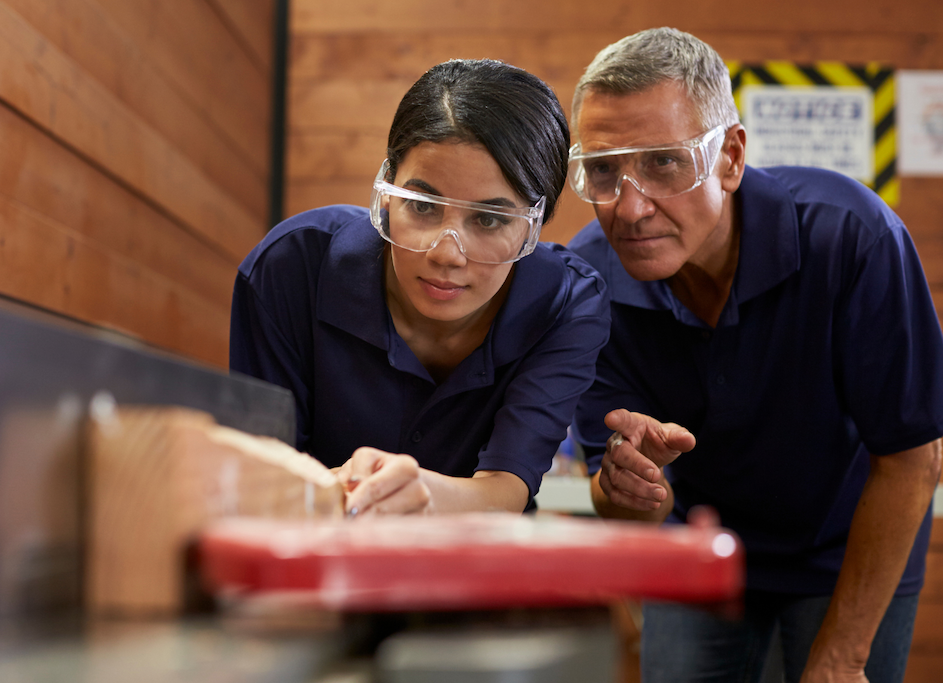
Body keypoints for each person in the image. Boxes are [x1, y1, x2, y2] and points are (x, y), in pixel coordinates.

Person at [566, 27, 943, 683]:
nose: (629, 206)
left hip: (847, 543)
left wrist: (842, 658)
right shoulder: (589, 281)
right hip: (699, 547)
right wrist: (630, 486)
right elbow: (621, 500)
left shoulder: (851, 237)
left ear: (731, 158)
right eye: (603, 169)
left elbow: (913, 459)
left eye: (663, 162)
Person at [231, 59, 609, 518]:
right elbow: (258, 477)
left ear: (535, 225)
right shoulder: (291, 267)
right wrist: (335, 491)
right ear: (388, 189)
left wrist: (418, 494)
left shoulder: (567, 303)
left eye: (489, 220)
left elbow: (507, 487)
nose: (447, 253)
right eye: (424, 208)